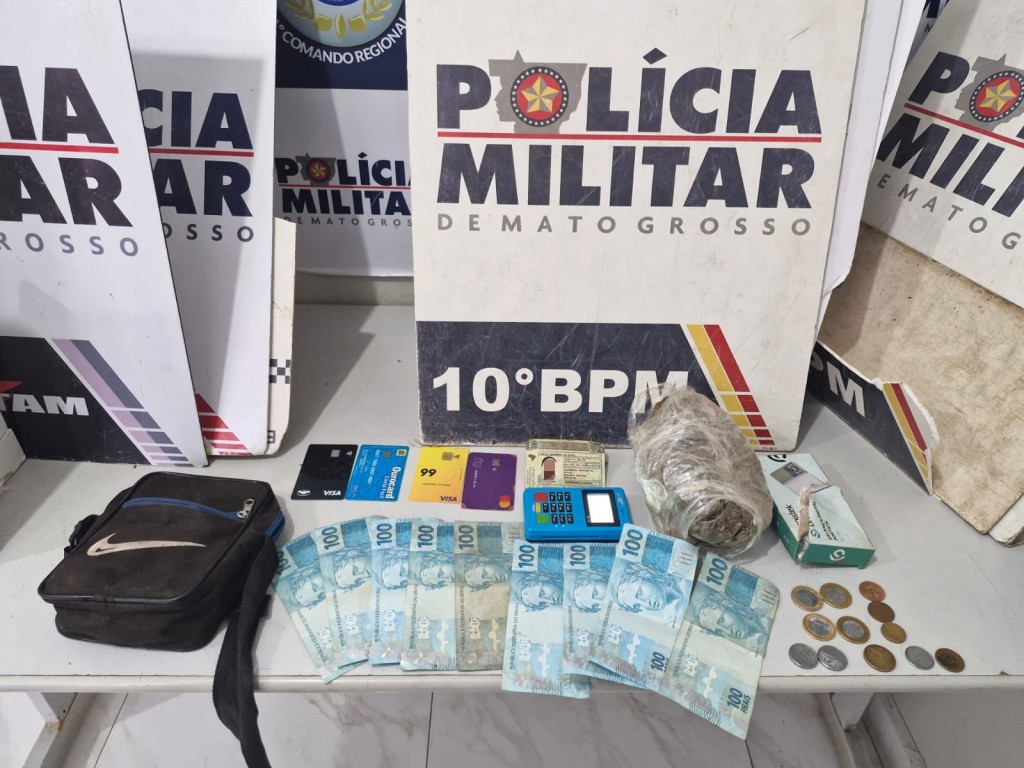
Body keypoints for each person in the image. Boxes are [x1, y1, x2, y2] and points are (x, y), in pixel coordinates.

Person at [692, 588, 768, 652]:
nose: (727, 631)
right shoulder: (751, 651)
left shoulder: (766, 612)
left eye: (722, 620)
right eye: (718, 631)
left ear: (727, 606)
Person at [613, 562, 686, 613]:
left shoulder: (680, 574)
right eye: (637, 606)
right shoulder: (672, 616)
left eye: (640, 593)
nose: (646, 604)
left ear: (645, 575)